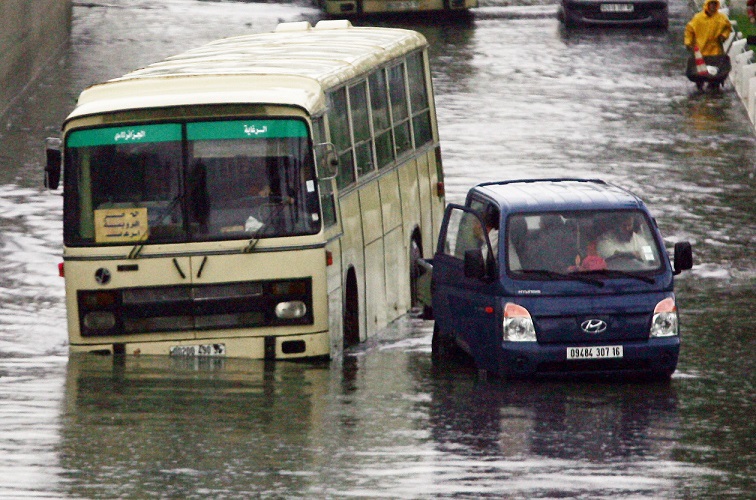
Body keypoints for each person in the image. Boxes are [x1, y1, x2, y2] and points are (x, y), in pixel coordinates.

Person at [684, 0, 733, 90]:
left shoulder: (721, 18)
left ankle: (713, 89)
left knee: (715, 77)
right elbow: (689, 31)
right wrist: (688, 43)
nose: (713, 6)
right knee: (699, 75)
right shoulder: (698, 18)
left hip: (715, 53)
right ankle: (700, 87)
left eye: (715, 4)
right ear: (707, 5)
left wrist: (724, 36)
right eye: (711, 4)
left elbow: (728, 28)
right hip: (700, 52)